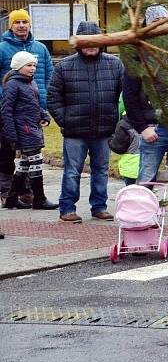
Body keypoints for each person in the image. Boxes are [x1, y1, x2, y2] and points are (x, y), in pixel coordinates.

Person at [48, 21, 124, 223]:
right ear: (78, 43)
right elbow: (53, 98)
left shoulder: (115, 64)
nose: (91, 45)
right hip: (74, 131)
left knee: (101, 170)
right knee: (72, 171)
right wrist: (65, 121)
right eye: (86, 41)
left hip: (104, 129)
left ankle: (99, 206)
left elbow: (123, 94)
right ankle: (67, 208)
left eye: (95, 41)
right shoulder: (64, 66)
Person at [122, 4, 168, 218]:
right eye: (155, 22)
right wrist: (142, 127)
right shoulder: (137, 55)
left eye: (165, 21)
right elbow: (130, 95)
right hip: (152, 127)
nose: (160, 26)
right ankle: (141, 213)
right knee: (147, 174)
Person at [0, 8, 53, 207]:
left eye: (25, 22)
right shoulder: (2, 48)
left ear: (30, 25)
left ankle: (28, 193)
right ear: (11, 26)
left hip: (33, 109)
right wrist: (3, 97)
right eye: (17, 22)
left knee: (31, 152)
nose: (21, 26)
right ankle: (6, 191)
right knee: (7, 152)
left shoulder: (40, 48)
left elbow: (49, 75)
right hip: (9, 110)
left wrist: (44, 100)